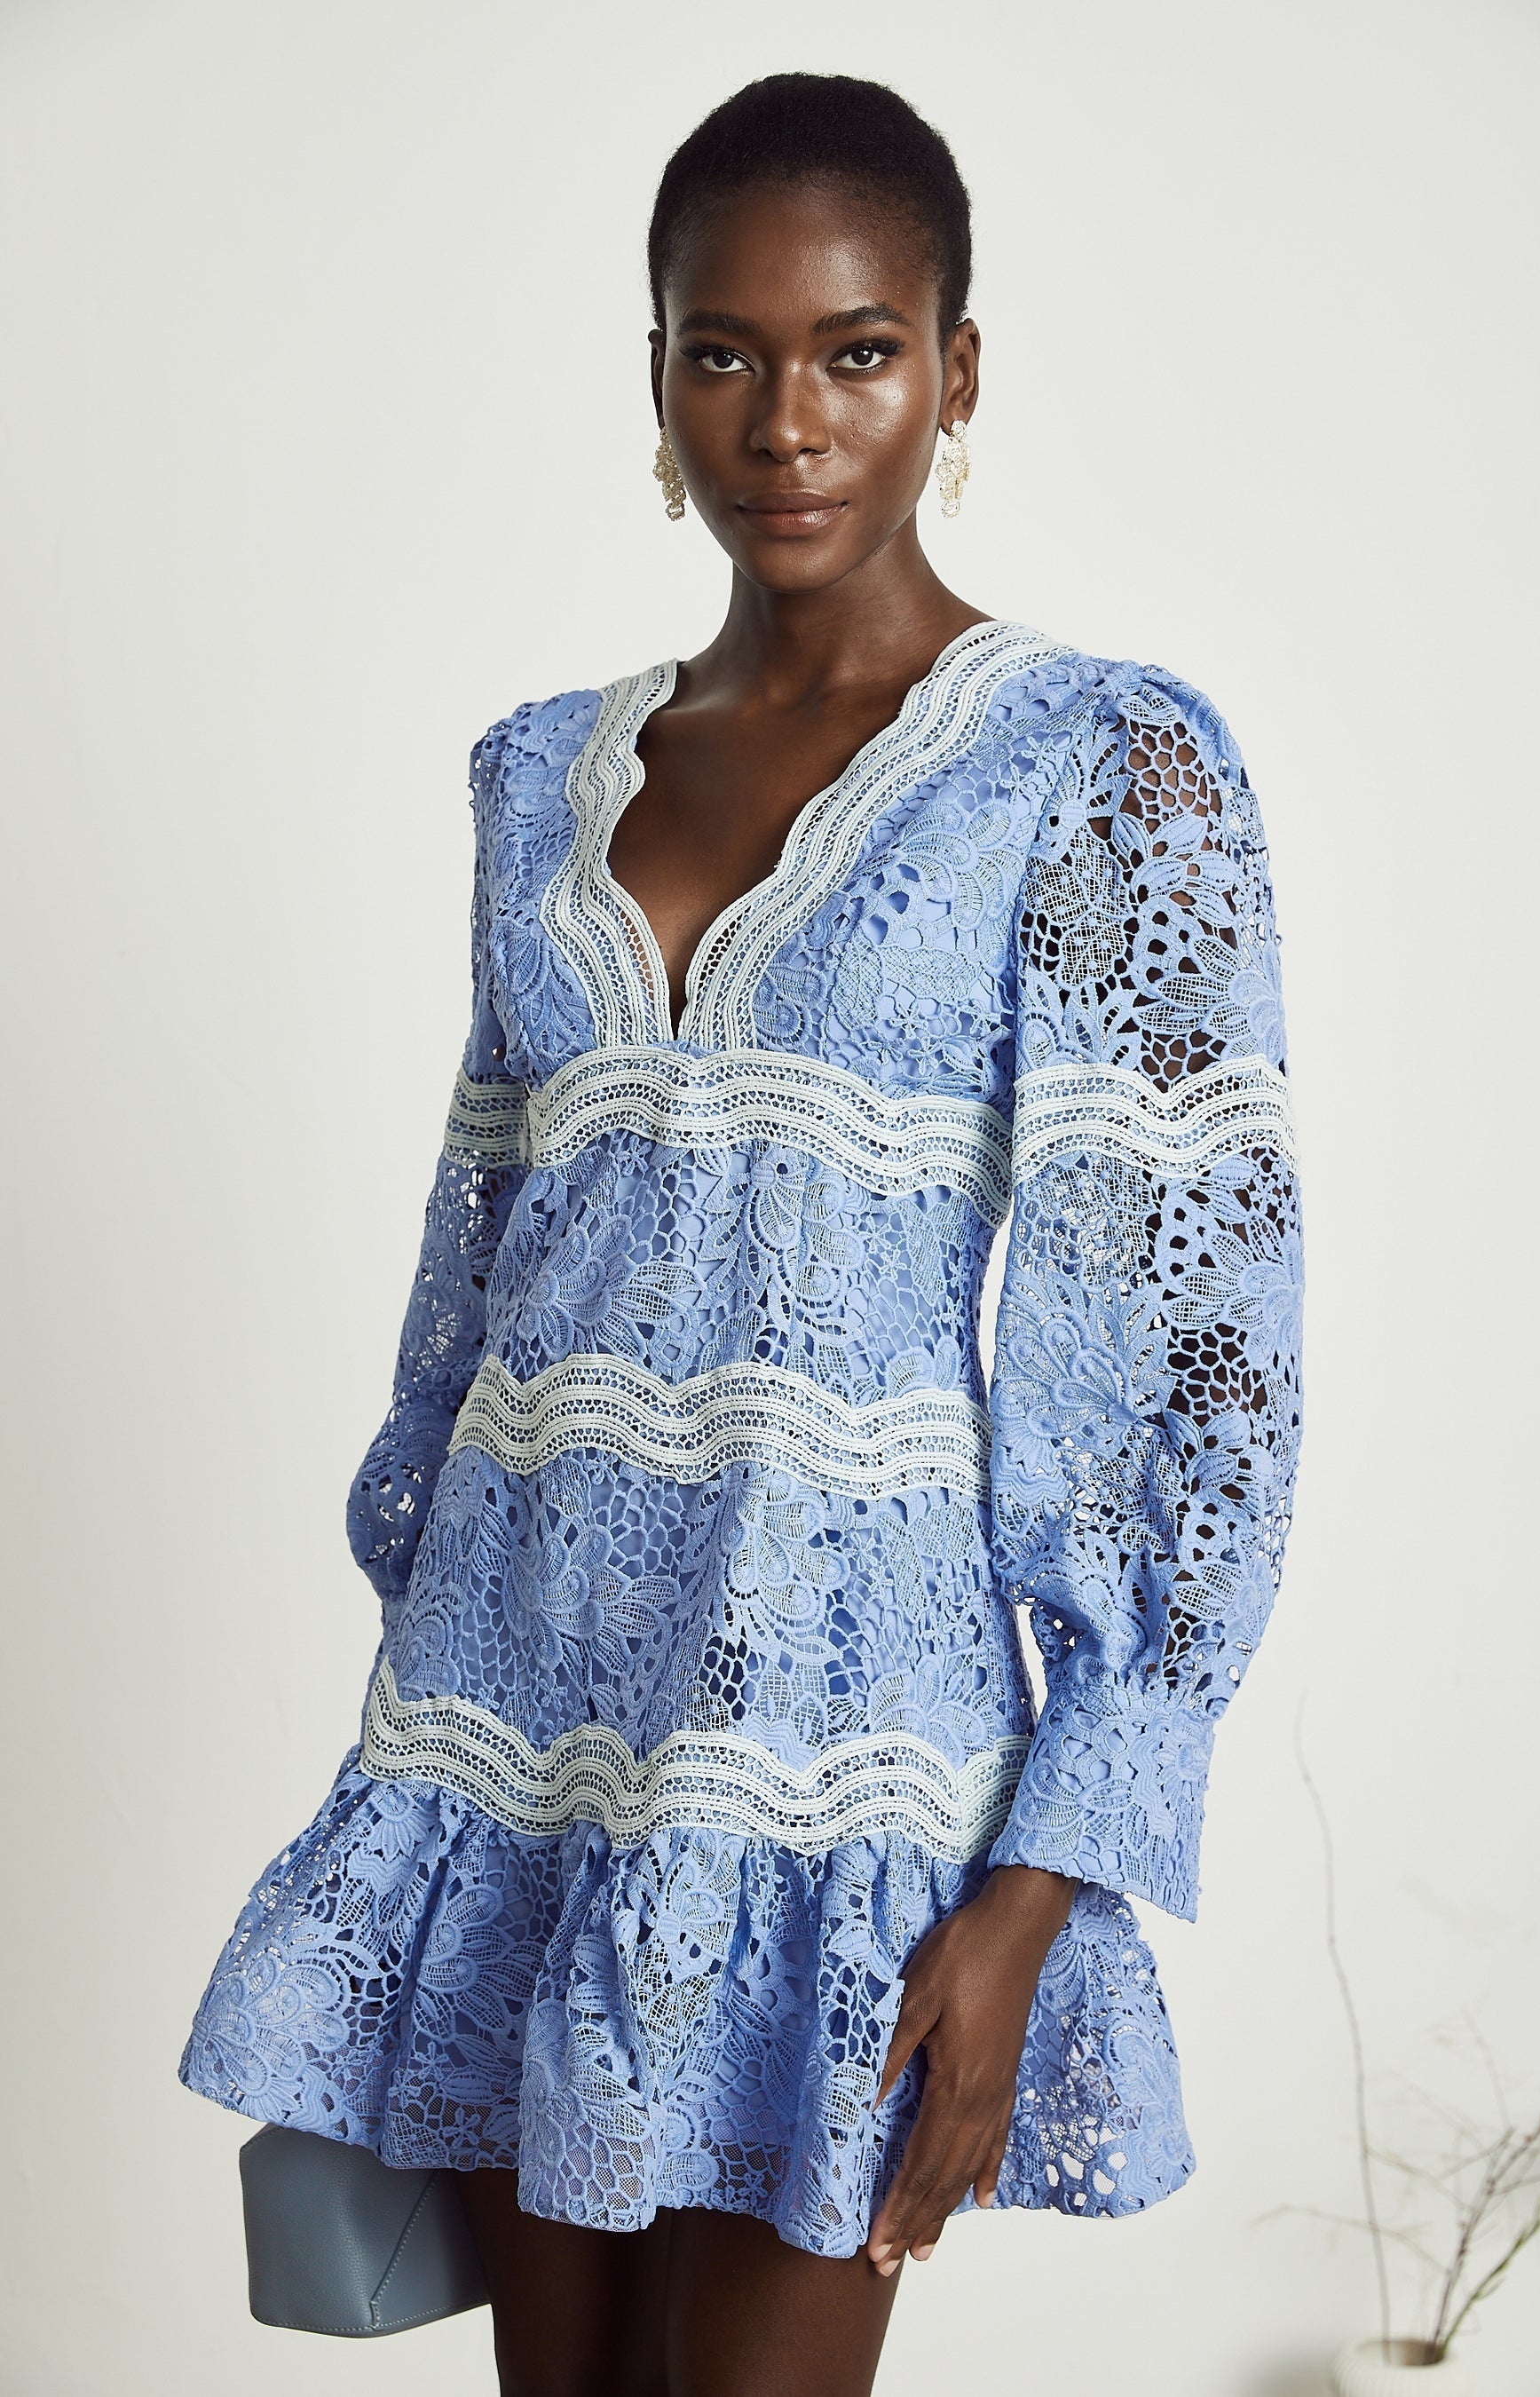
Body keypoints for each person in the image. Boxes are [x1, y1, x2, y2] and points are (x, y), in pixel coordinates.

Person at [180, 71, 1303, 2397]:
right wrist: (421, 1727)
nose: (787, 420)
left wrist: (1038, 1884)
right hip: (516, 1746)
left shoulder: (1099, 768)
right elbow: (476, 1281)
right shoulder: (537, 778)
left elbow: (1193, 1350)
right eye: (727, 351)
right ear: (661, 373)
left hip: (839, 1768)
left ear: (956, 374)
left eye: (858, 351)